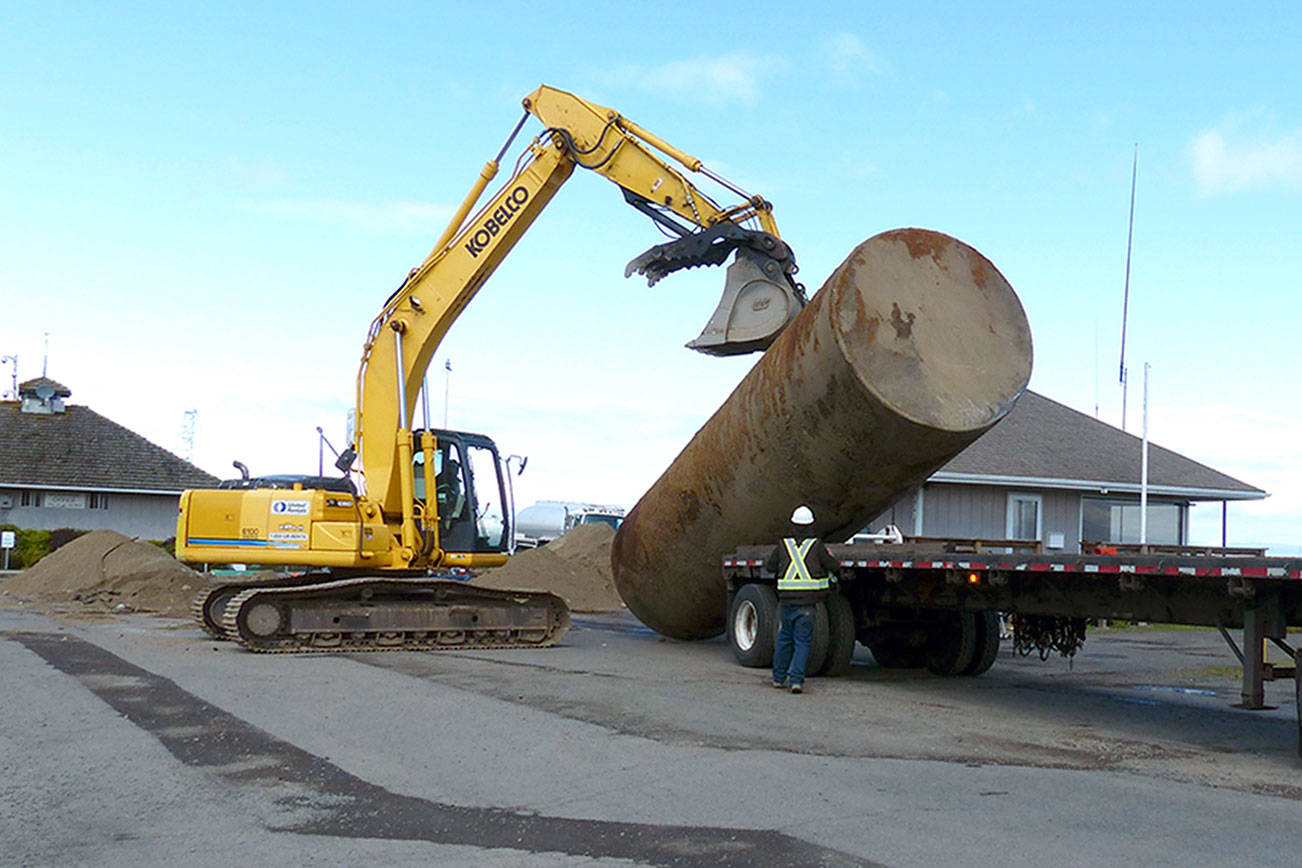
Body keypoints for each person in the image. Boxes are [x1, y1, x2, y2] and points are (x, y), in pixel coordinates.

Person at [765, 505, 840, 694]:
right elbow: (834, 566)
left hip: (786, 603)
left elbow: (770, 567)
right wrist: (831, 557)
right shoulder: (817, 546)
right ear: (811, 526)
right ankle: (796, 681)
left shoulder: (783, 545)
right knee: (802, 642)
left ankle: (778, 678)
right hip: (807, 604)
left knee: (784, 640)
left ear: (792, 525)